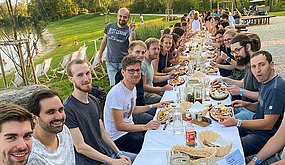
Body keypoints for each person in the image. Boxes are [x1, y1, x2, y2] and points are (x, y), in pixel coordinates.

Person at [64, 59, 135, 164]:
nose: (86, 79)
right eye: (79, 75)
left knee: (144, 159)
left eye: (87, 73)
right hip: (94, 161)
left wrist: (119, 153)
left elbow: (103, 132)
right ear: (71, 79)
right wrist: (112, 161)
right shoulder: (68, 109)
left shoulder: (93, 100)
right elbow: (80, 147)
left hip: (108, 153)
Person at [219, 50, 285, 157]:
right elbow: (262, 106)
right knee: (221, 133)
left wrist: (237, 122)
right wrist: (245, 104)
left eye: (262, 65)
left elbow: (268, 124)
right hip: (255, 128)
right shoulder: (265, 81)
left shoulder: (276, 89)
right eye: (253, 67)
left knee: (227, 152)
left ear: (272, 65)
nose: (257, 70)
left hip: (263, 137)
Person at [104, 55, 167, 154]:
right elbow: (119, 126)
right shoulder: (116, 94)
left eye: (138, 70)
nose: (136, 74)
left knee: (160, 132)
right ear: (123, 72)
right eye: (131, 71)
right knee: (154, 147)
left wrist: (154, 105)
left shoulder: (132, 87)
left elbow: (131, 109)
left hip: (130, 131)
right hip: (119, 138)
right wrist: (145, 126)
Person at [213, 33, 261, 120]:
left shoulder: (258, 66)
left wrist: (241, 92)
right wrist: (224, 79)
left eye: (237, 50)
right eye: (233, 52)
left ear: (248, 47)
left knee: (223, 121)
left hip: (256, 111)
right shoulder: (248, 62)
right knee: (217, 111)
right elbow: (243, 83)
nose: (235, 55)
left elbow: (264, 96)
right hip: (245, 104)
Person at [26, 90, 75, 164]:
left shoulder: (64, 131)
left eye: (60, 110)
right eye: (50, 112)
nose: (59, 116)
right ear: (34, 118)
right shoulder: (32, 155)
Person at [115, 40, 156, 124]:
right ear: (130, 52)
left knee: (163, 112)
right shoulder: (122, 75)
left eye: (143, 52)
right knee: (158, 121)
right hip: (131, 114)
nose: (141, 55)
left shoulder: (138, 70)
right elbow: (127, 109)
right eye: (137, 52)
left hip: (141, 106)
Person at [97, 7, 136, 86]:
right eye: (120, 16)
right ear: (117, 16)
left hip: (124, 63)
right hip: (111, 61)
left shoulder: (128, 30)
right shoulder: (109, 26)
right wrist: (99, 55)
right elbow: (104, 41)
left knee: (125, 85)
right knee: (114, 85)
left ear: (128, 18)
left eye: (125, 17)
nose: (122, 19)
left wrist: (132, 31)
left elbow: (132, 43)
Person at [142, 38, 173, 104]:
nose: (157, 51)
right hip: (146, 96)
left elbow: (153, 79)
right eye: (154, 49)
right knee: (170, 102)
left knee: (172, 93)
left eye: (158, 49)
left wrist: (169, 76)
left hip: (153, 91)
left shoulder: (150, 62)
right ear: (146, 50)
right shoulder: (143, 64)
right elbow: (144, 87)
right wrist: (162, 89)